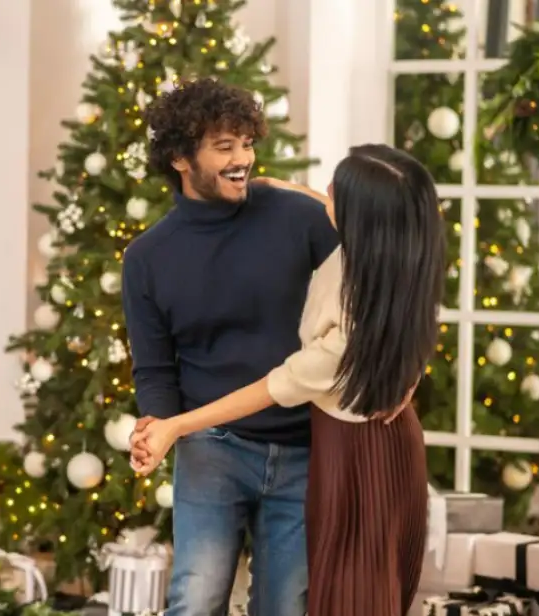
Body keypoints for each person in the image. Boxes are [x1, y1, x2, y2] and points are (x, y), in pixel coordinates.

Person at [130, 144, 445, 615]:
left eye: (336, 193)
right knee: (202, 598)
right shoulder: (381, 248)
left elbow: (273, 387)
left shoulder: (351, 312)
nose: (323, 196)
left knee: (347, 597)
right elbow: (338, 205)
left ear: (360, 216)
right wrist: (282, 188)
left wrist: (175, 426)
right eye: (226, 146)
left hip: (353, 451)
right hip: (330, 439)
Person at [121, 77, 339, 616]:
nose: (243, 157)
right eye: (225, 146)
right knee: (195, 600)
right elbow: (153, 368)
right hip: (211, 446)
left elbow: (370, 253)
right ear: (179, 158)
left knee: (285, 607)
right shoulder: (148, 257)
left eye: (247, 142)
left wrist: (310, 195)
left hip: (304, 446)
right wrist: (158, 429)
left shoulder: (296, 216)